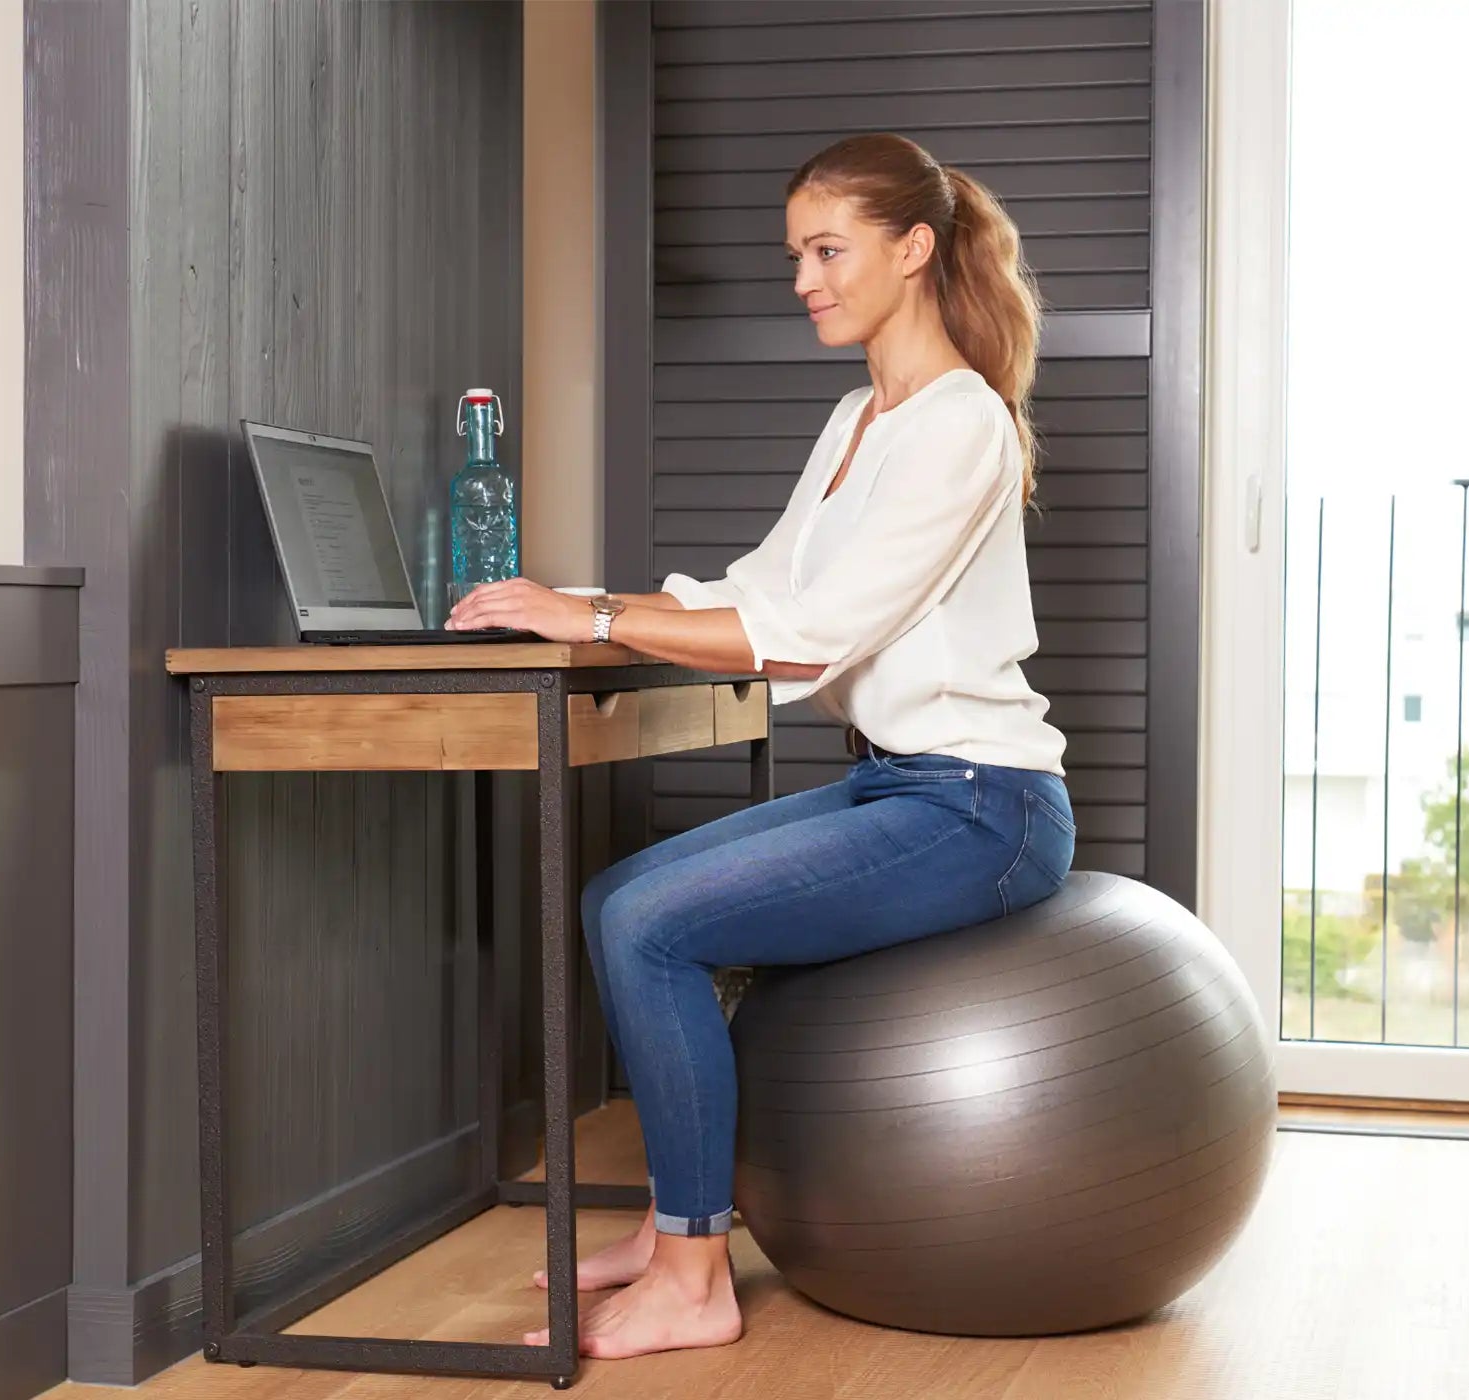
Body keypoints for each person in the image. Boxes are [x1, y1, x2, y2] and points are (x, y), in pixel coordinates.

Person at [445, 132, 1075, 1361]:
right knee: (620, 892)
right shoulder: (858, 415)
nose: (804, 280)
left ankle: (694, 1276)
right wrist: (581, 598)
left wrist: (602, 621)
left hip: (984, 807)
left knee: (651, 926)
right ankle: (686, 1222)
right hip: (900, 780)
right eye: (797, 255)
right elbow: (757, 586)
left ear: (914, 249)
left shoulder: (962, 425)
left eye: (828, 251)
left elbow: (809, 638)